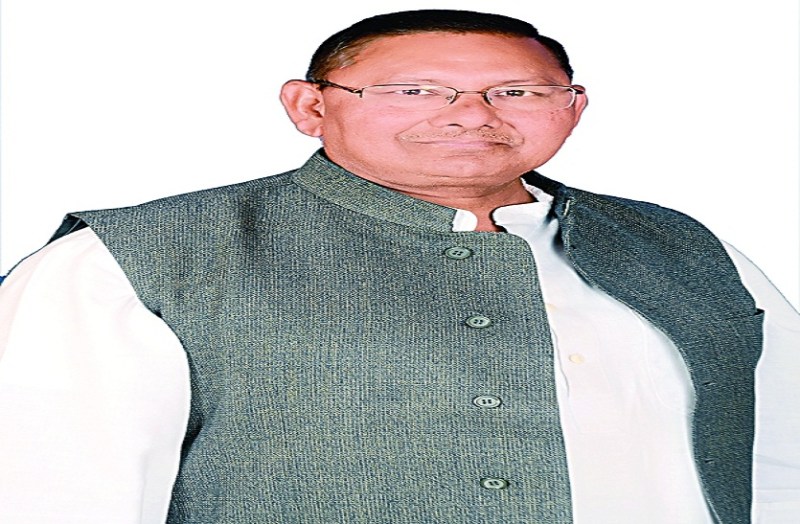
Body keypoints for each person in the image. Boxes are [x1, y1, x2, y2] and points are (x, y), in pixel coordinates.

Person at [0, 8, 798, 523]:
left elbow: (779, 466)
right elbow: (56, 497)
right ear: (310, 106)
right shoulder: (131, 261)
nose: (471, 116)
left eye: (517, 92)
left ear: (572, 106)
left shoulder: (685, 248)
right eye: (414, 90)